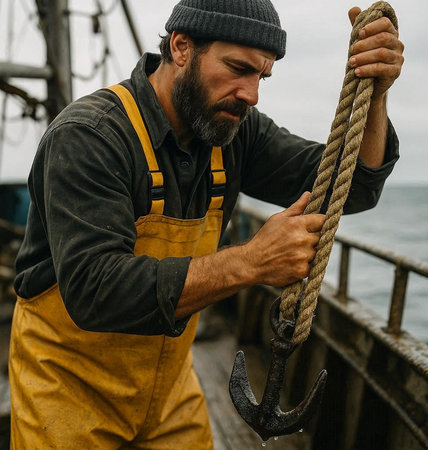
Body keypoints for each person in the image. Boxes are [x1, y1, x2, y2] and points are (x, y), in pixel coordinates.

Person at [9, 0, 404, 448]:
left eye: (261, 76)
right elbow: (96, 291)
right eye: (237, 68)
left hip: (170, 392)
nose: (251, 93)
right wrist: (251, 261)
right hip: (69, 392)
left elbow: (352, 188)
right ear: (181, 47)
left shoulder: (234, 131)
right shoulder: (90, 136)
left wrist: (376, 95)